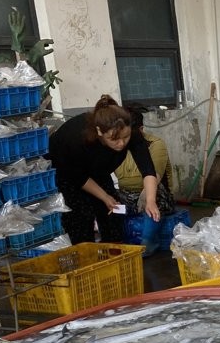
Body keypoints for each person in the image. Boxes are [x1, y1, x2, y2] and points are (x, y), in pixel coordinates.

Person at [48, 95, 160, 245]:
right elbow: (78, 177)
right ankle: (86, 256)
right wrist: (104, 196)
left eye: (125, 137)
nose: (121, 143)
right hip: (67, 173)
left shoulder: (130, 131)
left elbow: (148, 169)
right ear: (100, 131)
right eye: (114, 139)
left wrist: (151, 201)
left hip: (98, 171)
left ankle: (114, 252)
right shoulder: (76, 138)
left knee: (114, 211)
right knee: (81, 216)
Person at [115, 106, 177, 256]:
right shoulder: (116, 146)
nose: (123, 142)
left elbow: (154, 175)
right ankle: (116, 241)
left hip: (152, 194)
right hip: (127, 194)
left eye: (127, 136)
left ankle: (149, 242)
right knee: (110, 199)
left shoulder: (155, 144)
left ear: (140, 129)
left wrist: (147, 197)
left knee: (153, 195)